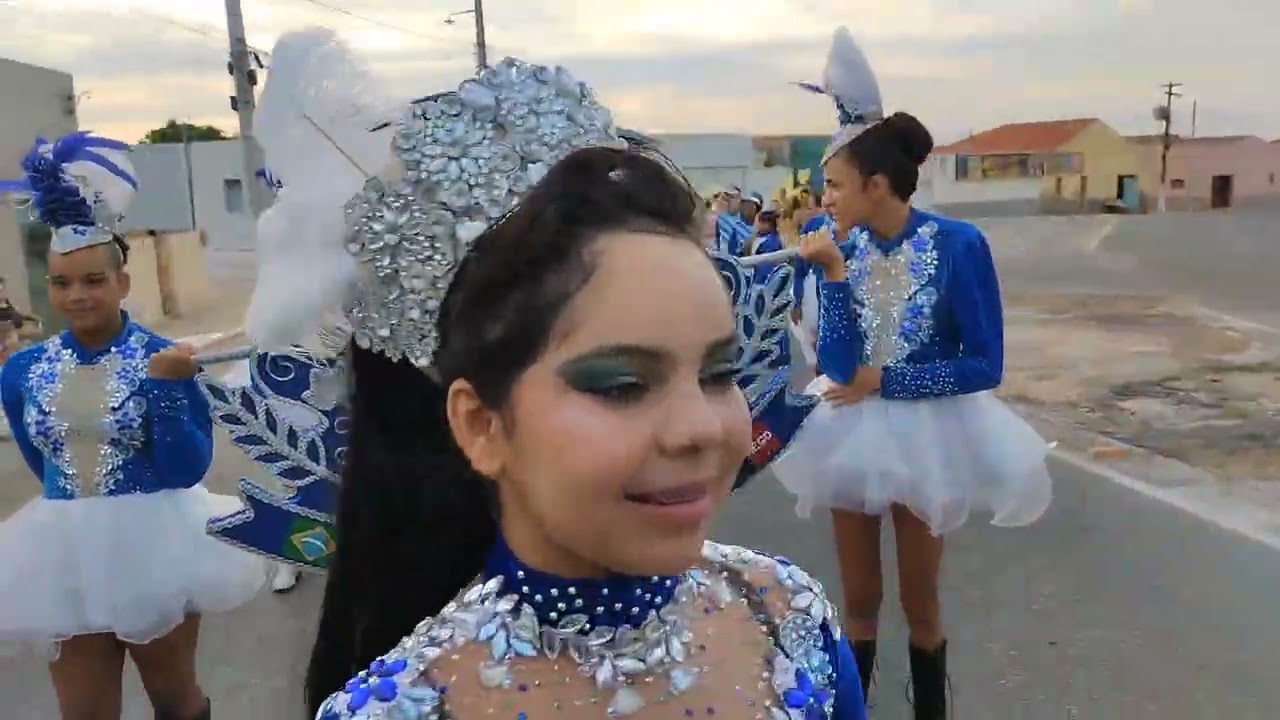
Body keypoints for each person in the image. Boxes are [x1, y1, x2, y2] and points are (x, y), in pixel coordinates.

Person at [215, 30, 849, 719]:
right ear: (481, 424)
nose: (702, 427)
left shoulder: (784, 614)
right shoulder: (400, 706)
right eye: (621, 384)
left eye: (718, 370)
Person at [773, 27, 1053, 718]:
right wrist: (833, 278)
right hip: (847, 428)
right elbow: (836, 365)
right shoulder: (836, 246)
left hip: (930, 432)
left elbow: (985, 362)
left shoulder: (959, 245)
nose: (824, 199)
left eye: (833, 185)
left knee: (920, 601)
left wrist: (891, 384)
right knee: (859, 599)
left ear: (875, 182)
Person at [0, 131, 268, 719]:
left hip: (154, 548)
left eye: (94, 281)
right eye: (61, 282)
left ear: (122, 283)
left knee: (174, 702)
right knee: (83, 712)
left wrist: (168, 388)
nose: (76, 296)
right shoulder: (23, 369)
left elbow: (186, 468)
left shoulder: (166, 357)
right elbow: (38, 459)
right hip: (63, 553)